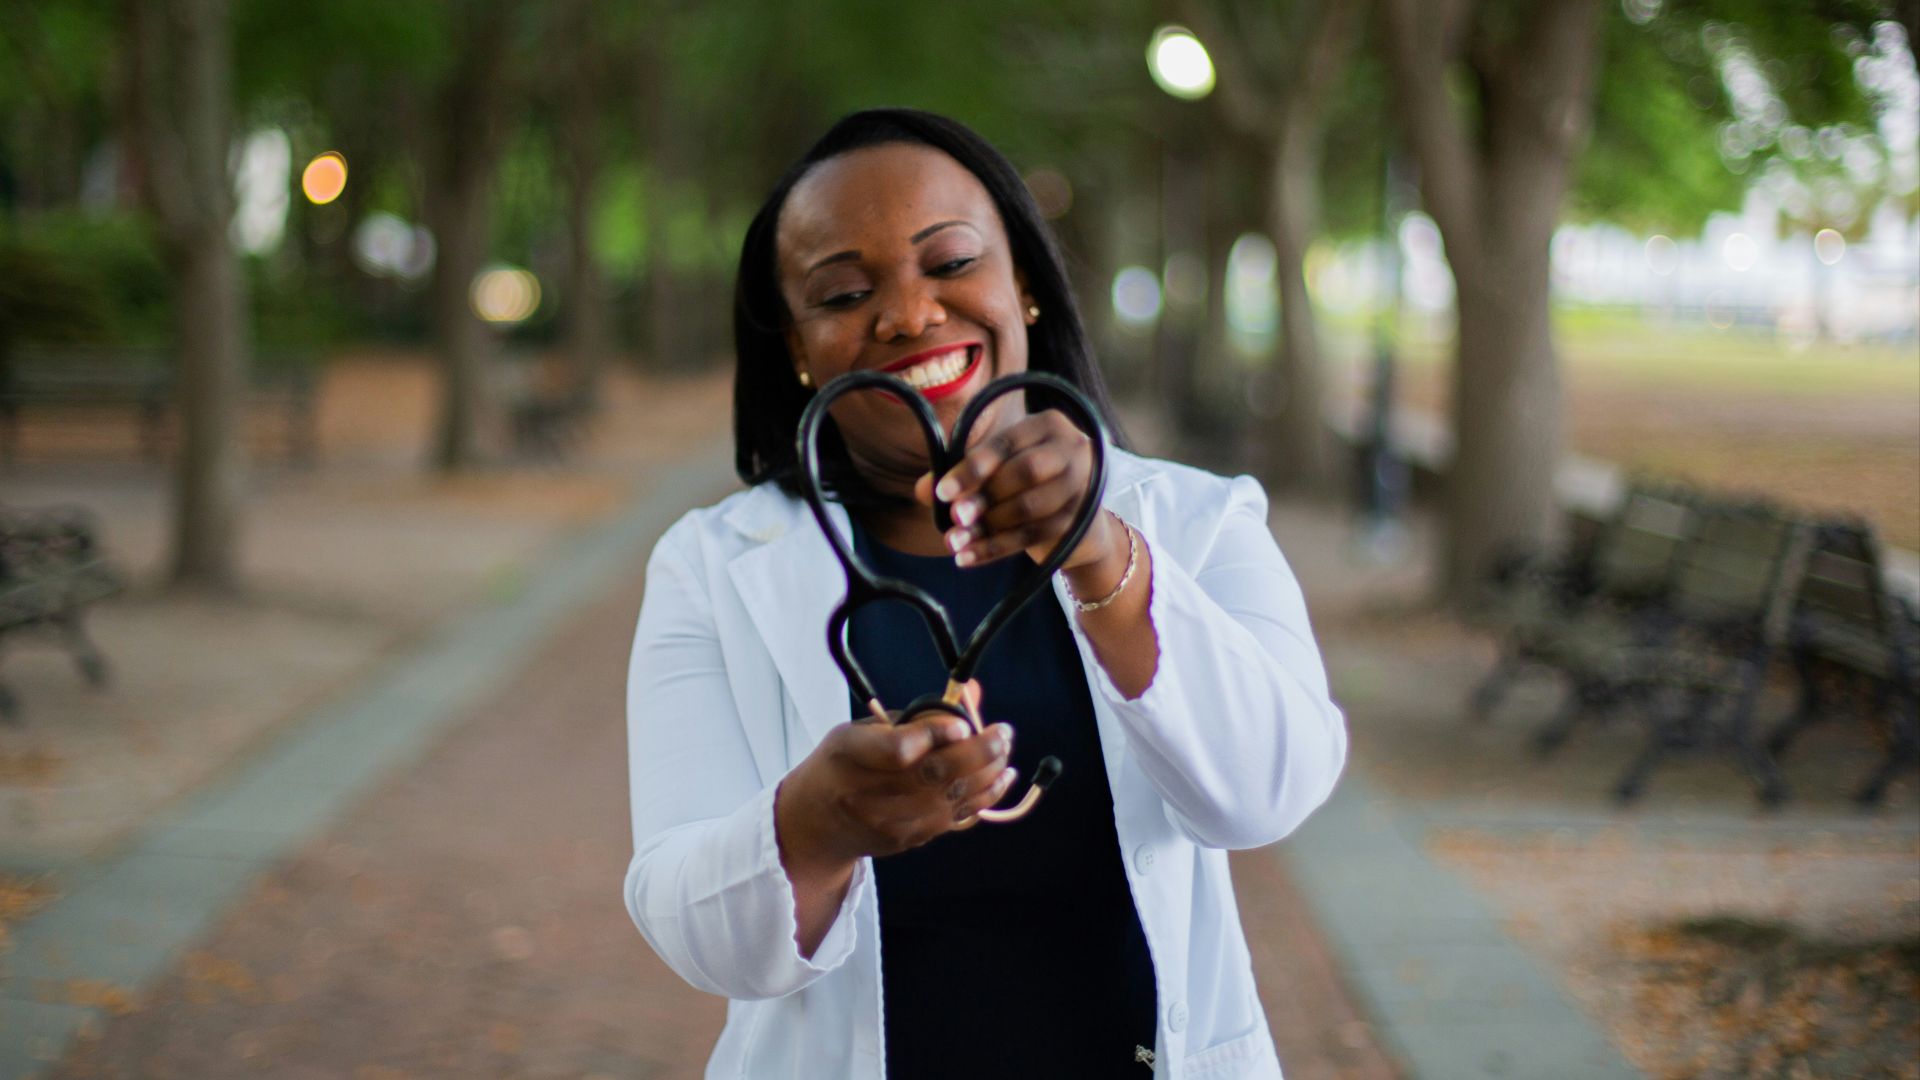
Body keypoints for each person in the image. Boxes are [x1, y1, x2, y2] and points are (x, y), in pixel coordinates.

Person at [624, 108, 1347, 1080]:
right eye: (843, 290)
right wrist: (818, 825)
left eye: (951, 262)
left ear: (1027, 288)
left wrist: (1100, 551)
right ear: (798, 348)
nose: (910, 314)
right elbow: (694, 931)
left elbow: (1270, 793)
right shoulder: (709, 571)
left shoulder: (1198, 520)